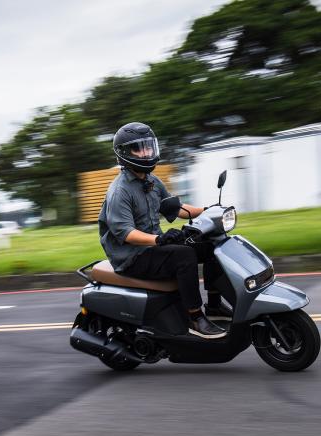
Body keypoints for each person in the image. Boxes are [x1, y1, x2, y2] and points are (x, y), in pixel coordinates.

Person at [97, 122, 230, 339]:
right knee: (183, 255)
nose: (146, 152)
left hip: (152, 247)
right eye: (138, 148)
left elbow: (176, 209)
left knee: (210, 244)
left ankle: (214, 305)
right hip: (131, 257)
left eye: (148, 146)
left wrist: (208, 210)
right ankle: (194, 317)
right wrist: (160, 239)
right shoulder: (119, 191)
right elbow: (126, 234)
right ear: (123, 153)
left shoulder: (152, 181)